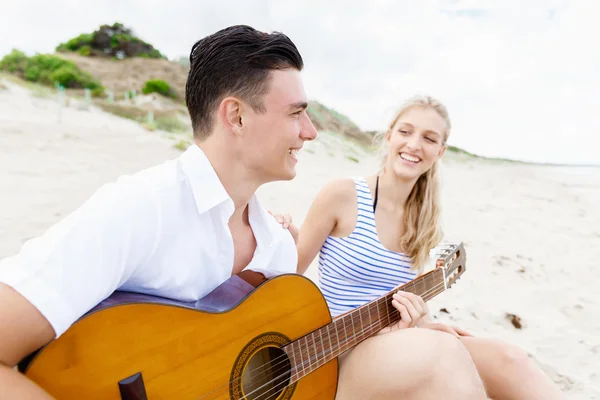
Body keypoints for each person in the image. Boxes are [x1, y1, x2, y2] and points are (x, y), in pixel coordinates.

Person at [0, 27, 486, 399]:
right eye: (296, 113)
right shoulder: (139, 209)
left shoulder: (274, 247)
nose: (312, 131)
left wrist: (398, 327)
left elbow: (279, 367)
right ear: (235, 116)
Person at [273, 95, 565, 400]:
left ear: (440, 151)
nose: (414, 144)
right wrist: (279, 236)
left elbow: (397, 298)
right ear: (389, 136)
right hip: (338, 353)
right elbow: (289, 278)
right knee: (444, 353)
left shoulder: (423, 220)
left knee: (508, 359)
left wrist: (423, 320)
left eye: (429, 138)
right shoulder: (342, 195)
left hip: (393, 340)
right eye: (405, 132)